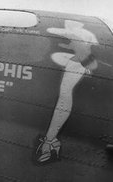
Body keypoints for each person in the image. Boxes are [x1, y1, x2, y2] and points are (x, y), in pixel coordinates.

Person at [36, 20, 99, 163]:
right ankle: (50, 140)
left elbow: (54, 31)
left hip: (80, 62)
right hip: (77, 61)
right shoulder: (82, 34)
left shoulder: (81, 33)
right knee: (64, 95)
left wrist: (64, 35)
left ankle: (50, 142)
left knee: (64, 96)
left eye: (69, 25)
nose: (67, 27)